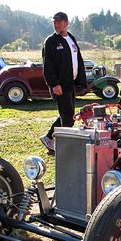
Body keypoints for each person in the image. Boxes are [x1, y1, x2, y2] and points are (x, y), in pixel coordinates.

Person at [40, 11, 86, 153]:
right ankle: (55, 143)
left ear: (66, 23)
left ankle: (50, 140)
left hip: (70, 83)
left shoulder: (70, 38)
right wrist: (54, 84)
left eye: (59, 21)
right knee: (67, 117)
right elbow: (48, 66)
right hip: (60, 85)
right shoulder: (51, 41)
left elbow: (77, 59)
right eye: (54, 22)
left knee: (68, 116)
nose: (56, 24)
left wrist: (81, 81)